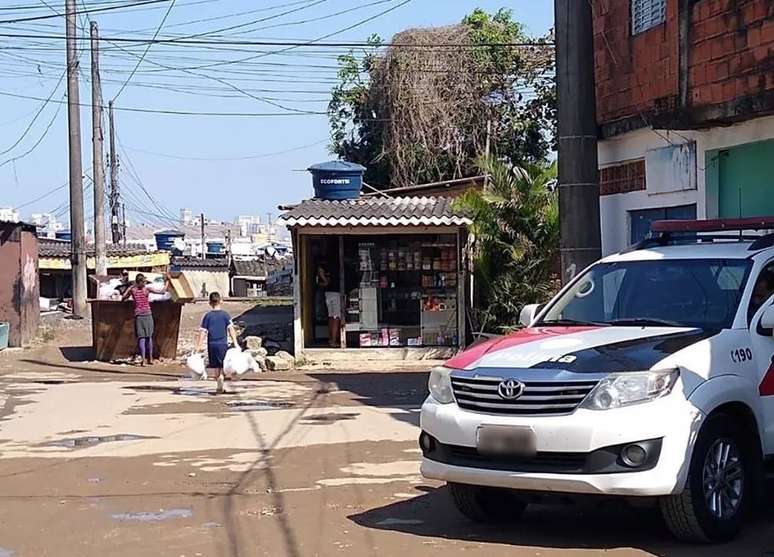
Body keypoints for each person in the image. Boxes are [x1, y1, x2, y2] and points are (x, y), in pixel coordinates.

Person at [196, 292, 240, 394]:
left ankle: (218, 382)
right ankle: (221, 378)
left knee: (215, 366)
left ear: (210, 303)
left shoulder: (207, 316)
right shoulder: (225, 315)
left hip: (212, 344)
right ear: (221, 301)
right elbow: (231, 329)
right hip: (222, 344)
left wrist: (199, 345)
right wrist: (235, 342)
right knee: (222, 364)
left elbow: (203, 332)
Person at [122, 273, 169, 366]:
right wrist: (168, 280)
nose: (145, 283)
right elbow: (163, 291)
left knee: (142, 338)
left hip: (139, 315)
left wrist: (130, 287)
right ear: (140, 281)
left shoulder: (133, 290)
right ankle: (150, 359)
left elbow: (123, 297)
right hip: (147, 314)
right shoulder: (146, 290)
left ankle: (144, 360)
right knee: (148, 337)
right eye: (143, 281)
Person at [316, 262, 340, 347]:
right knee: (336, 317)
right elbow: (320, 269)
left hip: (328, 292)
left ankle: (331, 339)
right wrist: (326, 281)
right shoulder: (336, 264)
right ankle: (333, 340)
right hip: (336, 293)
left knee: (331, 316)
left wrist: (325, 280)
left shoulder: (326, 263)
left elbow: (320, 269)